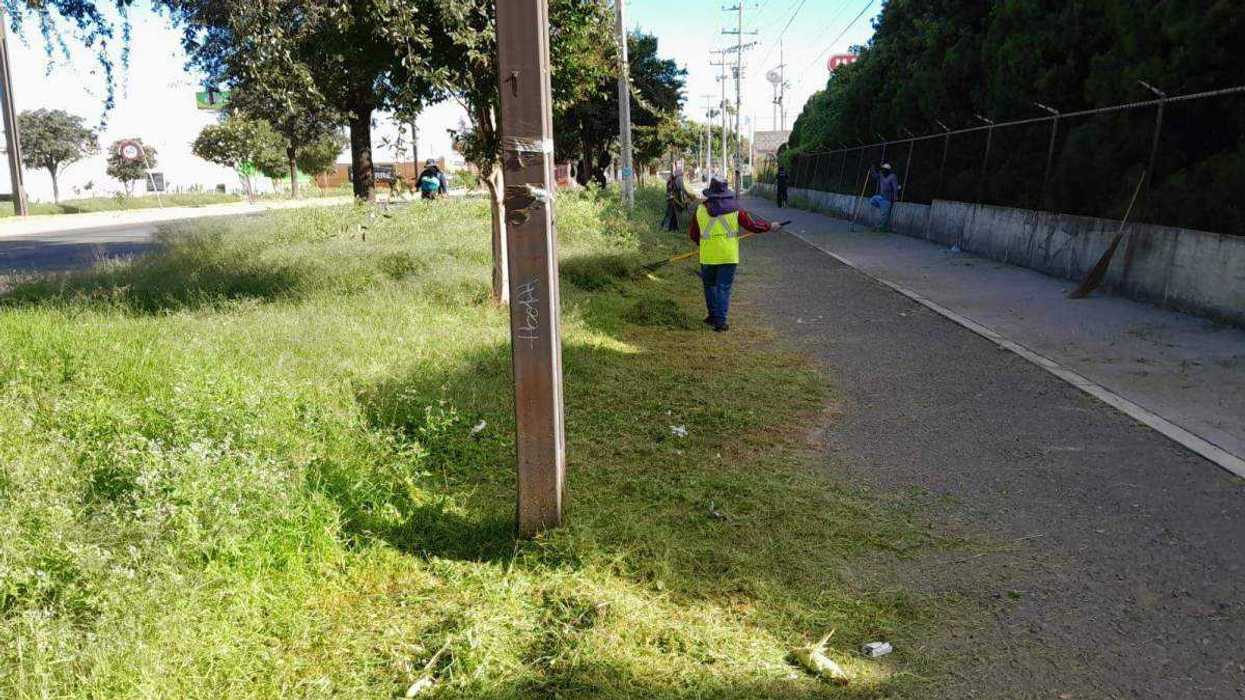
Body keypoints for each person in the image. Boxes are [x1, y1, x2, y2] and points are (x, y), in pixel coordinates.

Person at [689, 177, 780, 332]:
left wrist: (702, 243)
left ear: (710, 193)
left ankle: (712, 316)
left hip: (708, 256)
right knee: (723, 288)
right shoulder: (736, 209)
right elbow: (753, 225)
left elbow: (693, 234)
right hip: (729, 256)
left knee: (710, 286)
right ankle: (721, 322)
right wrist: (770, 226)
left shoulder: (700, 210)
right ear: (726, 193)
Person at [869, 163, 900, 231]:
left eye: (884, 169)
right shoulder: (881, 174)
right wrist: (872, 169)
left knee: (884, 216)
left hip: (887, 199)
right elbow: (875, 176)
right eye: (882, 169)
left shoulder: (892, 176)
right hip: (881, 197)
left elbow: (895, 188)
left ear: (888, 170)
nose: (882, 171)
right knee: (872, 200)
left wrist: (895, 197)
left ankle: (880, 227)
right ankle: (882, 210)